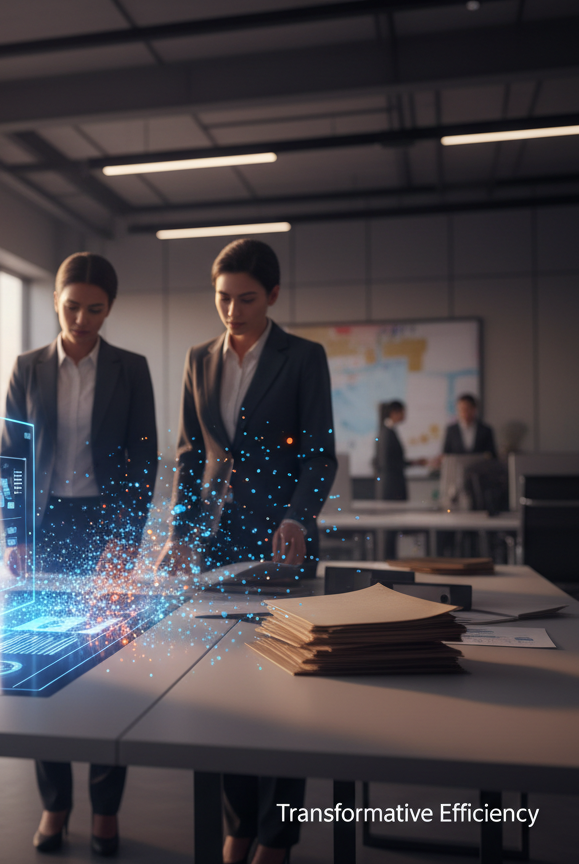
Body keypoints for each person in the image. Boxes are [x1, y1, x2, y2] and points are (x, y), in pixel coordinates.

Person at [156, 238, 336, 864]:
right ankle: (238, 824)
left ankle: (277, 836)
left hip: (282, 541)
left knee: (285, 685)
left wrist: (297, 516)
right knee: (224, 687)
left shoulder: (303, 357)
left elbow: (319, 455)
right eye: (223, 298)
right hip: (215, 544)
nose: (232, 311)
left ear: (274, 295)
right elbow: (189, 455)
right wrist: (179, 533)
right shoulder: (198, 357)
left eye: (247, 299)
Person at [1, 252, 158, 858]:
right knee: (43, 661)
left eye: (95, 309)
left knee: (108, 663)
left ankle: (106, 808)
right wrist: (14, 533)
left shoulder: (131, 368)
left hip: (105, 526)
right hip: (45, 528)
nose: (82, 319)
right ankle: (55, 802)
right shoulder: (27, 367)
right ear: (56, 301)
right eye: (72, 306)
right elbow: (12, 454)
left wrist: (125, 540)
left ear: (109, 308)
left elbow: (142, 460)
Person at [375, 400, 427, 501]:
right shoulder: (387, 433)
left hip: (390, 484)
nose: (404, 416)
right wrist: (414, 463)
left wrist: (415, 462)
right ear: (394, 413)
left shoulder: (386, 431)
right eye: (403, 412)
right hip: (392, 486)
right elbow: (390, 462)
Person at [442, 393, 497, 459]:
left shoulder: (485, 430)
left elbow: (492, 455)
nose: (463, 412)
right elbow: (446, 454)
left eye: (466, 409)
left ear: (474, 409)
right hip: (457, 465)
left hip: (480, 464)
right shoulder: (451, 430)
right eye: (460, 409)